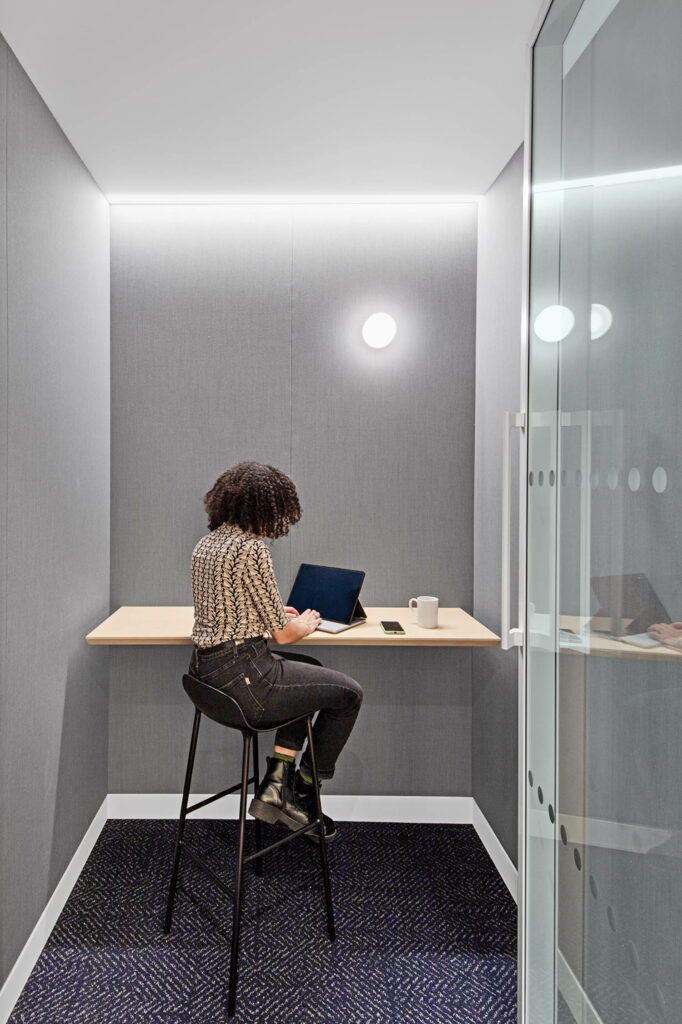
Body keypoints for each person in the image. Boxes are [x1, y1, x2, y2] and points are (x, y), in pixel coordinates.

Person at [189, 461, 363, 841]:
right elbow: (283, 637)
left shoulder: (209, 543)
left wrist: (268, 614)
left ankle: (276, 782)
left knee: (308, 669)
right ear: (265, 509)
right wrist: (305, 623)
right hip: (245, 680)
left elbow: (228, 609)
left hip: (207, 676)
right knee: (349, 695)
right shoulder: (252, 549)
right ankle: (304, 788)